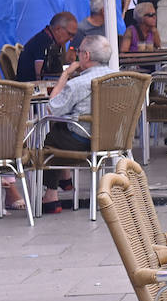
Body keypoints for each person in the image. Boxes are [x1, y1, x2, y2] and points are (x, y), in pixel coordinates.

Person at [40, 34, 115, 213]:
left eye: (78, 51)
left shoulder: (79, 83)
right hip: (115, 138)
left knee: (51, 137)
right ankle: (65, 179)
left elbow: (52, 109)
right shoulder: (122, 78)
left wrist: (65, 75)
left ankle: (51, 195)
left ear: (86, 56)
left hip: (84, 138)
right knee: (60, 130)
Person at [17, 11, 78, 81]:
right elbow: (42, 77)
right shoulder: (43, 42)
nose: (71, 39)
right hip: (30, 88)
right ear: (58, 29)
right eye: (70, 34)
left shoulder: (51, 39)